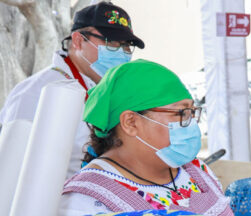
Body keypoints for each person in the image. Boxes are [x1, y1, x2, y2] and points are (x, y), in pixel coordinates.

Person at [57, 60, 251, 216]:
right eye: (180, 114)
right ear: (131, 122)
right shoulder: (85, 204)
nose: (191, 126)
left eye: (191, 113)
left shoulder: (196, 172)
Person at [0, 1, 144, 180]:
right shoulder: (34, 93)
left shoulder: (112, 92)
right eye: (112, 42)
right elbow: (11, 170)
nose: (122, 52)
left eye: (127, 45)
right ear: (78, 41)